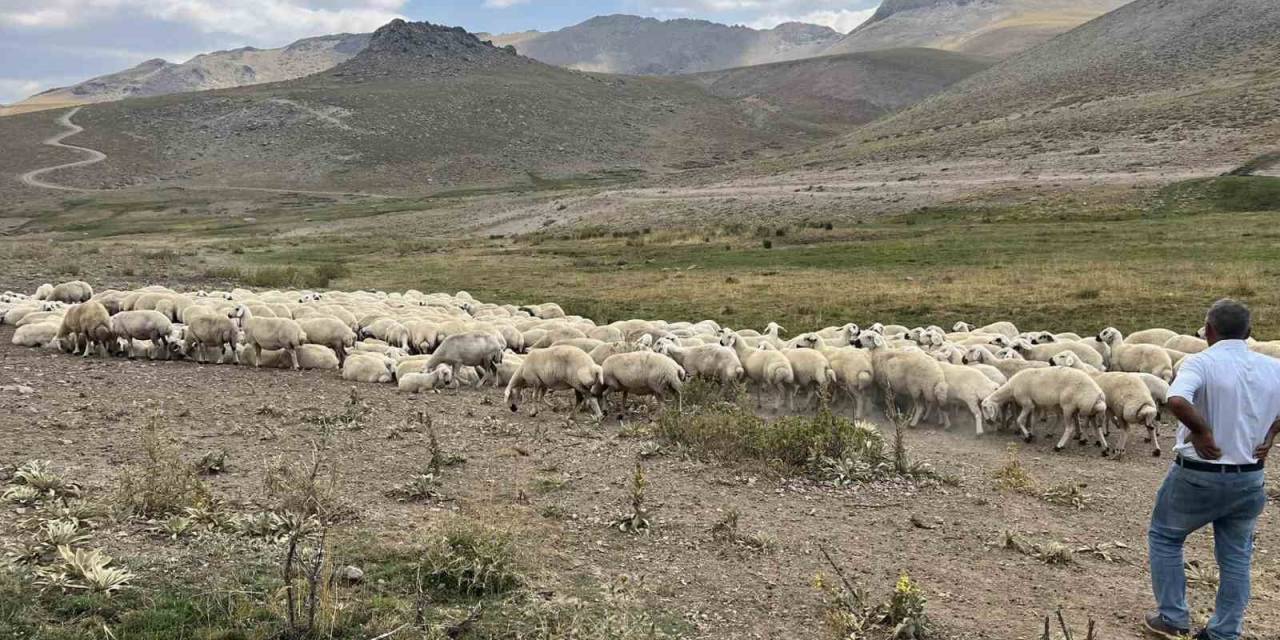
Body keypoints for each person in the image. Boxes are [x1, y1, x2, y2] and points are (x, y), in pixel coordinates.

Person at [1145, 299, 1280, 640]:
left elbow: (1175, 400)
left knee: (1166, 535)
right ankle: (1224, 632)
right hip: (1249, 477)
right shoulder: (1272, 367)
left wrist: (1203, 431)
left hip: (1198, 474)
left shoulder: (1200, 363)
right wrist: (1271, 435)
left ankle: (1173, 617)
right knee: (1236, 557)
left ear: (1208, 331)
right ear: (1249, 333)